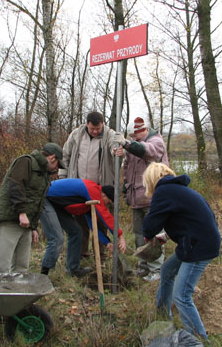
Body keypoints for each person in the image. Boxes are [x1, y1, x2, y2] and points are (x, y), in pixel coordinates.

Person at [142, 162, 220, 341]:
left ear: (151, 180)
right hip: (196, 241)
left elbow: (149, 225)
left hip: (197, 246)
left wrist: (149, 235)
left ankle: (199, 340)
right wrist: (166, 235)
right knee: (167, 270)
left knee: (182, 295)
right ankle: (162, 315)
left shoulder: (163, 191)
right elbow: (186, 219)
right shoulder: (178, 190)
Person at [0, 142, 64, 274]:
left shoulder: (44, 175)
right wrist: (22, 213)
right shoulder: (25, 161)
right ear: (52, 158)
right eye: (57, 164)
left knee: (21, 268)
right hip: (9, 220)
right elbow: (15, 186)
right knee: (1, 268)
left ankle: (16, 294)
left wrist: (33, 227)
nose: (56, 168)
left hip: (26, 224)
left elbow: (37, 201)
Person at [61, 111, 124, 260]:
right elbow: (65, 155)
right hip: (79, 188)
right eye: (92, 129)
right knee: (80, 223)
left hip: (99, 189)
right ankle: (82, 255)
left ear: (102, 124)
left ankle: (100, 256)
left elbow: (114, 146)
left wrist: (116, 150)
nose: (95, 131)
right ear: (87, 124)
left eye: (98, 129)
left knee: (101, 222)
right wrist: (63, 176)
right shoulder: (76, 134)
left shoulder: (109, 134)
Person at [114, 117, 169, 282]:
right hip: (136, 198)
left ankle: (156, 269)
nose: (133, 138)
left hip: (153, 199)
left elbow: (147, 151)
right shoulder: (134, 144)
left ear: (143, 130)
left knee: (155, 234)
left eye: (134, 135)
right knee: (139, 234)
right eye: (131, 136)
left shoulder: (156, 142)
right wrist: (125, 187)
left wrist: (127, 144)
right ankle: (143, 266)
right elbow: (127, 167)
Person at [40, 179, 127, 277]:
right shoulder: (93, 190)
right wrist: (120, 236)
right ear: (104, 195)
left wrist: (107, 243)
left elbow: (94, 226)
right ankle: (43, 275)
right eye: (109, 202)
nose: (107, 205)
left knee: (76, 232)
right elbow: (105, 216)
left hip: (58, 205)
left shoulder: (88, 201)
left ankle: (72, 270)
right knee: (57, 238)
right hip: (45, 198)